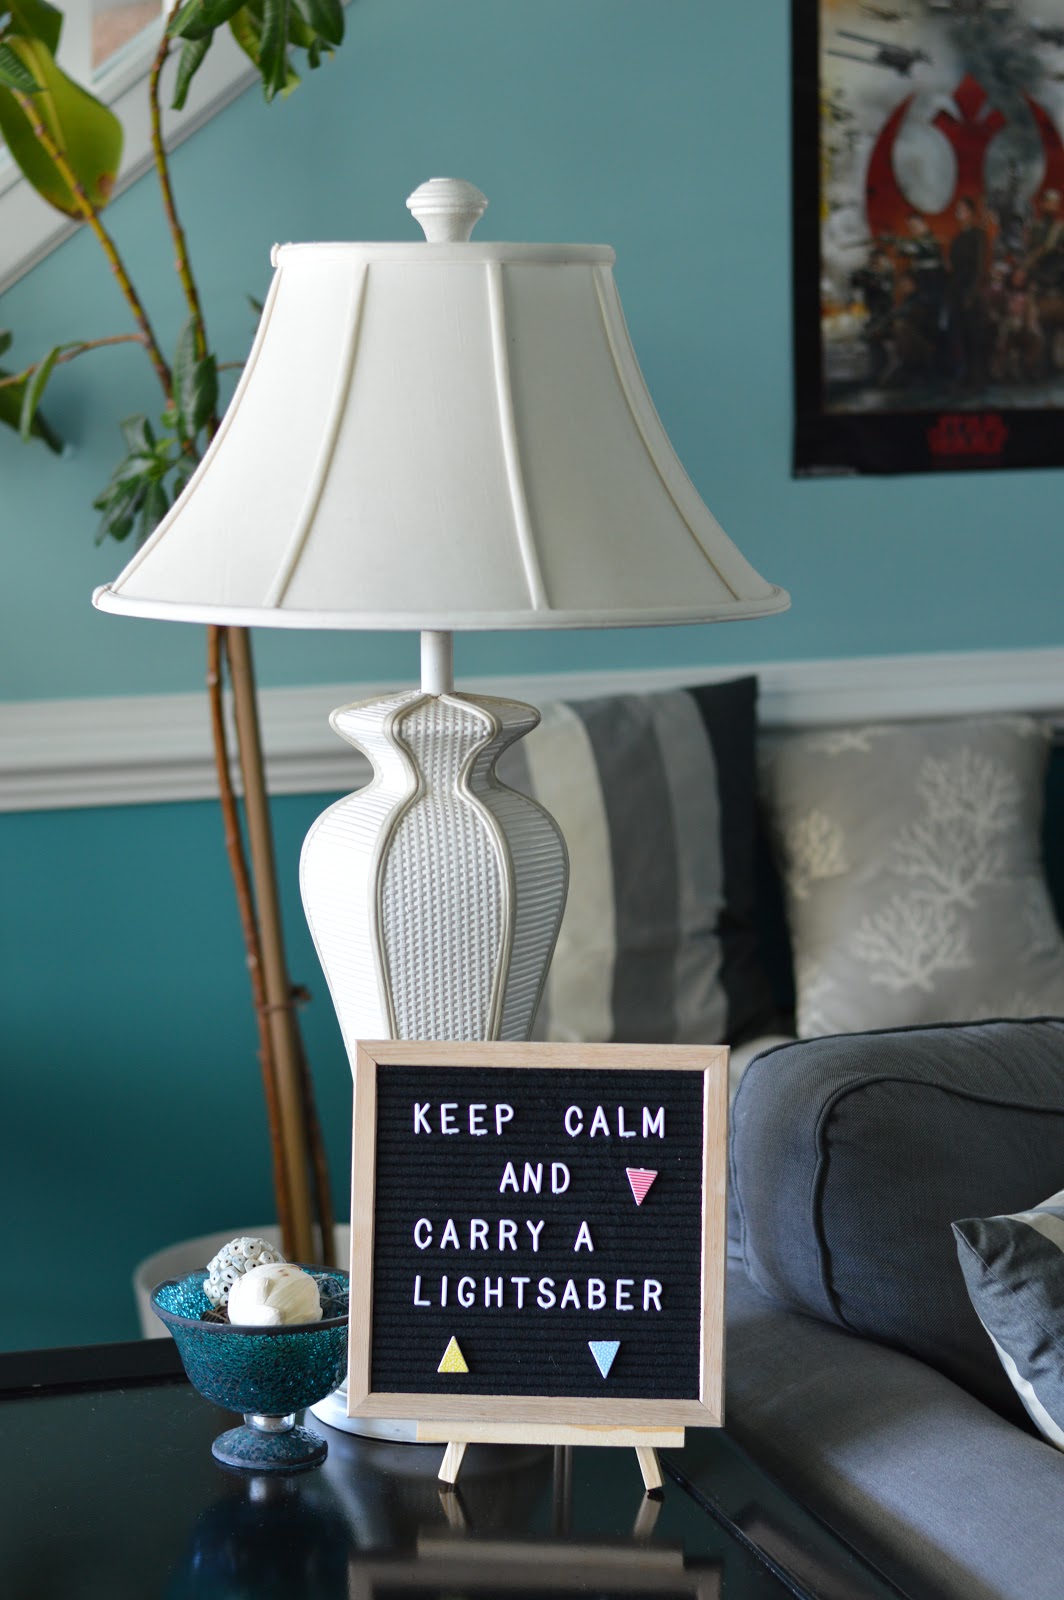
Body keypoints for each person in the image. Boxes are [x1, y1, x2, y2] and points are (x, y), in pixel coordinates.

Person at [946, 196, 988, 384]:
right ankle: (966, 374)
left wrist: (972, 293)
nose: (958, 214)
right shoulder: (957, 238)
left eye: (962, 210)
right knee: (960, 334)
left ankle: (977, 377)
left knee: (974, 335)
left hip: (971, 290)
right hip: (956, 289)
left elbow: (980, 267)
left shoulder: (978, 235)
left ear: (971, 213)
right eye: (957, 211)